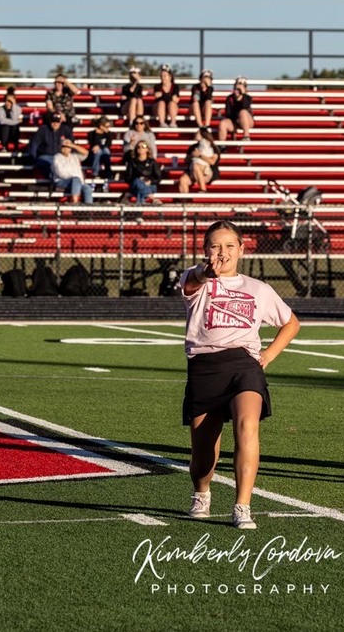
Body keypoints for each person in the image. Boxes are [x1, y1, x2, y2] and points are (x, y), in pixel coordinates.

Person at [181, 220, 301, 530]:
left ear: (242, 250)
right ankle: (202, 492)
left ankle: (242, 505)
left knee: (247, 427)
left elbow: (291, 323)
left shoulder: (258, 289)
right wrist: (205, 272)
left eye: (229, 246)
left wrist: (268, 355)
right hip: (205, 367)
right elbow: (193, 282)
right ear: (205, 250)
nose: (222, 252)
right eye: (215, 246)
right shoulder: (196, 278)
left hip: (244, 366)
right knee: (203, 455)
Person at [27, 111, 74, 181]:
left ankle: (57, 179)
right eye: (53, 121)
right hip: (46, 156)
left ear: (60, 122)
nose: (55, 124)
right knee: (47, 163)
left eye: (57, 122)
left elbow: (71, 144)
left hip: (61, 157)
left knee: (60, 163)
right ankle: (55, 178)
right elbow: (34, 144)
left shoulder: (66, 130)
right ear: (50, 122)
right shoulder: (43, 129)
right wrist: (33, 158)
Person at [178, 128, 221, 195]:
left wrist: (200, 155)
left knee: (196, 166)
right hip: (193, 171)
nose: (195, 134)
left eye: (197, 133)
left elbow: (212, 162)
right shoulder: (193, 147)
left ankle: (203, 189)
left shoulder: (213, 147)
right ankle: (184, 199)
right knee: (183, 180)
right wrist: (192, 155)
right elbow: (186, 160)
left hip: (207, 171)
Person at [50, 139, 93, 204]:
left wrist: (73, 145)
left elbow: (86, 153)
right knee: (76, 179)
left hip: (77, 182)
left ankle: (88, 207)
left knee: (87, 188)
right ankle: (75, 202)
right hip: (62, 181)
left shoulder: (74, 156)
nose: (66, 148)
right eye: (64, 146)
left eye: (68, 147)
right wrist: (75, 178)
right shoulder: (56, 158)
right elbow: (60, 173)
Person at [124, 140, 163, 204]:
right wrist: (139, 179)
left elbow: (159, 177)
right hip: (135, 185)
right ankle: (152, 198)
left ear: (147, 149)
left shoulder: (152, 162)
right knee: (138, 182)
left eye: (143, 146)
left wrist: (150, 181)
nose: (141, 148)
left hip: (149, 185)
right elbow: (127, 177)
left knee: (139, 190)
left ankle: (140, 206)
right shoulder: (132, 162)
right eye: (138, 147)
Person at [218, 77, 254, 142]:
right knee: (223, 123)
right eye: (236, 87)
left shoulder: (247, 98)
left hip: (247, 122)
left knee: (243, 112)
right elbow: (228, 113)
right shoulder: (229, 98)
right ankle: (222, 145)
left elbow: (245, 107)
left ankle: (246, 136)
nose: (237, 90)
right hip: (234, 121)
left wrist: (242, 95)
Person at [86, 115, 115, 187]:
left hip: (104, 155)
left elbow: (108, 145)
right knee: (98, 151)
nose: (108, 128)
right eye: (107, 126)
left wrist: (99, 146)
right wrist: (97, 135)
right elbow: (93, 145)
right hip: (93, 156)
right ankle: (96, 173)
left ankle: (107, 171)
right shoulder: (92, 134)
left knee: (105, 150)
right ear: (101, 126)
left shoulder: (109, 134)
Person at [0, 87, 23, 153]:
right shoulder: (0, 109)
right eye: (7, 101)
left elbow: (14, 117)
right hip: (0, 132)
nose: (8, 103)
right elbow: (2, 121)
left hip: (11, 132)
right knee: (5, 126)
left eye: (10, 101)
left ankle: (16, 146)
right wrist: (17, 121)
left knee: (15, 126)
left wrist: (13, 106)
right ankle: (4, 146)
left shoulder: (18, 109)